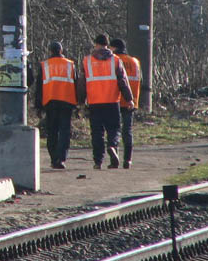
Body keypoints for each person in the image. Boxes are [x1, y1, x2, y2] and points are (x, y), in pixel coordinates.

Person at [80, 33, 133, 169]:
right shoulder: (115, 60)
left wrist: (80, 100)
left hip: (94, 101)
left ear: (95, 44)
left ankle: (98, 161)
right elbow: (123, 81)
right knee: (114, 129)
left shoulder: (87, 61)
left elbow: (82, 82)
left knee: (97, 132)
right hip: (111, 100)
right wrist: (129, 99)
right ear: (107, 45)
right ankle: (112, 146)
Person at [34, 41, 80, 169]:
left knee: (52, 131)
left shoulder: (44, 65)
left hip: (50, 102)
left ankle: (54, 158)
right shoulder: (70, 65)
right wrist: (78, 104)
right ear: (62, 50)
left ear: (50, 51)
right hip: (67, 101)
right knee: (64, 131)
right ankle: (61, 158)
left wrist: (38, 106)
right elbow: (76, 84)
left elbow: (39, 87)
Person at [110, 37, 142, 169]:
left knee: (114, 129)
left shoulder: (114, 61)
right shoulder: (135, 62)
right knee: (127, 131)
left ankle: (114, 155)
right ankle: (127, 159)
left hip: (116, 99)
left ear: (115, 48)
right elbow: (141, 80)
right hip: (132, 101)